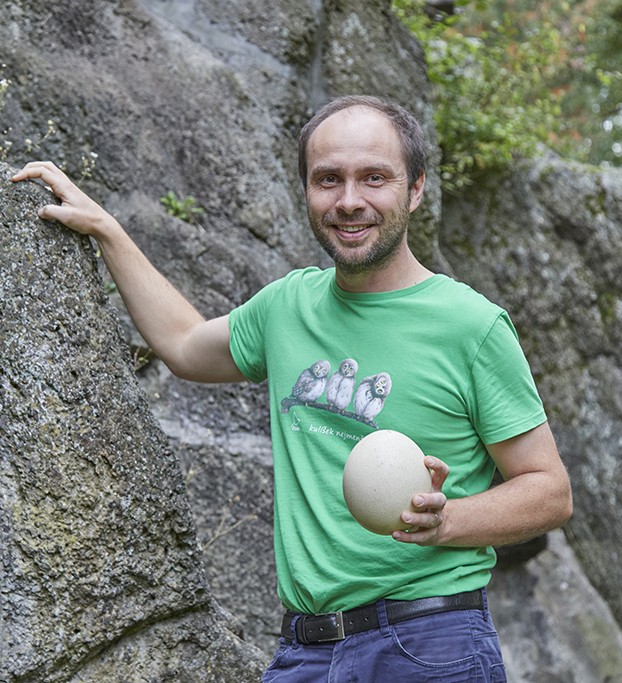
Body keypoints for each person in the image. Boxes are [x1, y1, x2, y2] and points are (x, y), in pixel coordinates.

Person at [13, 95, 572, 682]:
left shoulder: (471, 325)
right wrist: (106, 228)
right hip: (304, 650)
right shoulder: (287, 307)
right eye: (328, 179)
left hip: (430, 643)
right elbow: (182, 344)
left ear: (415, 190)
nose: (349, 200)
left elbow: (550, 491)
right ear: (305, 191)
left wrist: (447, 520)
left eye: (374, 178)